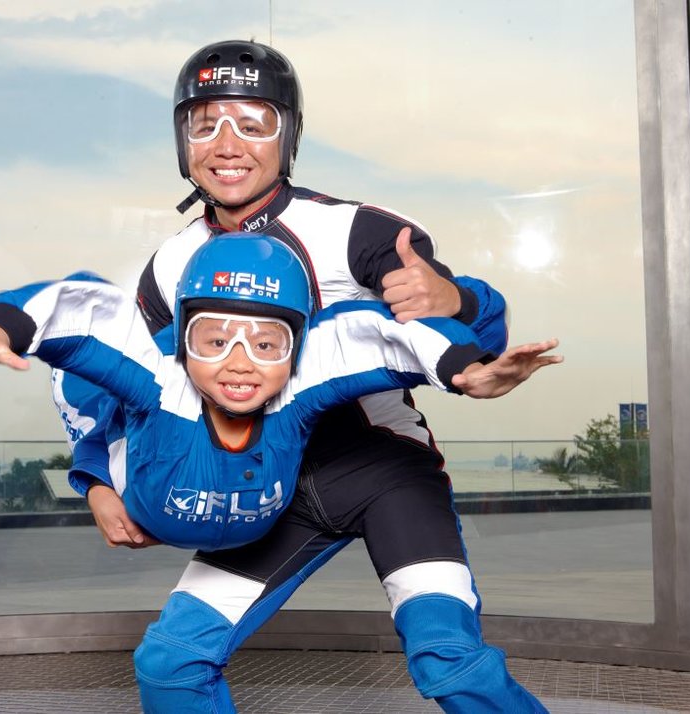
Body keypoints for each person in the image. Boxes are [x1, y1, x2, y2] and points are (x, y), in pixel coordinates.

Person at [43, 39, 554, 713]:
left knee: (449, 662)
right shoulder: (169, 267)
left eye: (253, 123)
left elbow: (457, 327)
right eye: (205, 123)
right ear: (181, 140)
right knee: (170, 664)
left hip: (383, 473)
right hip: (260, 491)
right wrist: (94, 480)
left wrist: (461, 311)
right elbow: (125, 384)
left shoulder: (357, 231)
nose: (227, 144)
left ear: (288, 137)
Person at [0, 233, 559, 552]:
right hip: (147, 487)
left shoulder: (309, 373)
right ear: (181, 339)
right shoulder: (160, 373)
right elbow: (81, 308)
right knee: (90, 380)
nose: (240, 365)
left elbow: (386, 336)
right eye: (215, 339)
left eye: (268, 344)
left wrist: (468, 373)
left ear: (298, 347)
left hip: (257, 511)